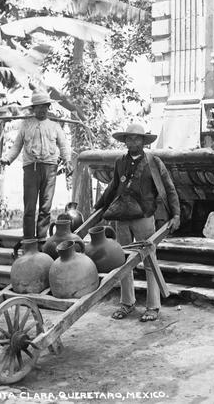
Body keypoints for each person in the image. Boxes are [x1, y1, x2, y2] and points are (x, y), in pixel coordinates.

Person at [93, 123, 181, 322]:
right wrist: (98, 209)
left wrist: (176, 215)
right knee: (123, 261)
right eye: (129, 139)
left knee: (149, 261)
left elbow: (169, 189)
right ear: (125, 141)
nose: (132, 142)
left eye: (137, 139)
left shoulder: (154, 162)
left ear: (143, 141)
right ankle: (127, 303)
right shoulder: (119, 162)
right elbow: (113, 187)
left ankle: (153, 307)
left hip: (144, 217)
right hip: (122, 219)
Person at [0, 90, 72, 240]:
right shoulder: (26, 125)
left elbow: (64, 145)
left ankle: (42, 239)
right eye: (39, 107)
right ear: (33, 108)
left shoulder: (54, 126)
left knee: (46, 207)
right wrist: (7, 159)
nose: (42, 110)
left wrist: (67, 161)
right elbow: (17, 146)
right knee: (30, 207)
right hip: (31, 168)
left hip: (50, 167)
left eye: (44, 106)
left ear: (48, 107)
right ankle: (29, 240)